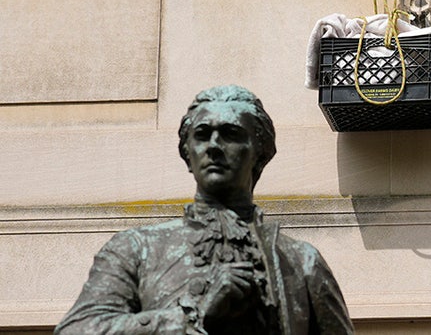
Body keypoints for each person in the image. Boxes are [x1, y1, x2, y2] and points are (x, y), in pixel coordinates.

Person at [57, 85, 353, 334]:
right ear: (188, 154)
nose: (213, 145)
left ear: (260, 153)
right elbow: (77, 329)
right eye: (202, 134)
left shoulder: (301, 262)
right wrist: (192, 316)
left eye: (231, 134)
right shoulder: (136, 248)